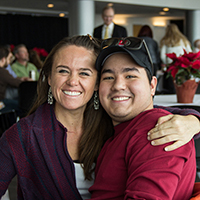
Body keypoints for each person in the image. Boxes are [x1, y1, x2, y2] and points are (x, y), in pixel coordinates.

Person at [0, 35, 199, 200]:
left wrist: (194, 121)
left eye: (85, 73)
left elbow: (151, 114)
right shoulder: (24, 134)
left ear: (96, 83)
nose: (72, 81)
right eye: (63, 71)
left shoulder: (119, 120)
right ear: (49, 78)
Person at [89, 37, 198, 199]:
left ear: (152, 86)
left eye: (130, 76)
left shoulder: (159, 129)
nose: (118, 85)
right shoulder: (118, 128)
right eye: (108, 77)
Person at [160, 24, 192, 93]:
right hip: (182, 64)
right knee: (182, 81)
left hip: (171, 65)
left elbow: (162, 56)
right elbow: (189, 52)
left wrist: (166, 63)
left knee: (171, 84)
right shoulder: (183, 40)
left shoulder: (165, 41)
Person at [0, 46, 29, 113]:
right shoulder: (2, 71)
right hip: (1, 102)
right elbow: (17, 83)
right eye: (9, 59)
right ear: (3, 59)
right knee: (24, 106)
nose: (10, 61)